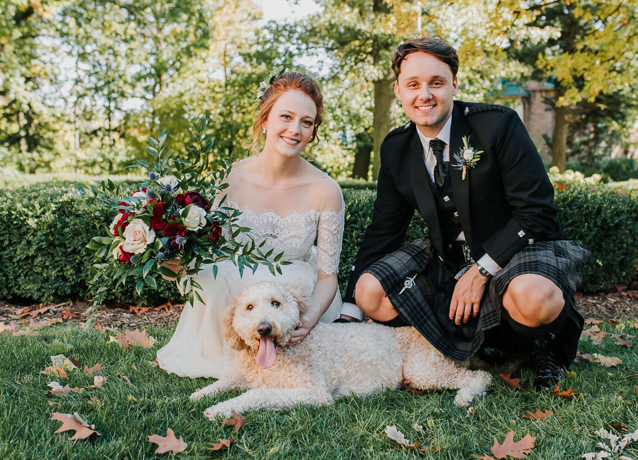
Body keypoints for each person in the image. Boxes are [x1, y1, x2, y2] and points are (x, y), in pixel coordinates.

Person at [338, 37, 589, 388]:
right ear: (398, 90)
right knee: (370, 293)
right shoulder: (396, 147)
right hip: (446, 255)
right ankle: (457, 344)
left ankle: (539, 345)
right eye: (413, 84)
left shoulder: (498, 125)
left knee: (534, 298)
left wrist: (482, 269)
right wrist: (350, 311)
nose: (424, 94)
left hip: (517, 250)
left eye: (436, 83)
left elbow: (538, 214)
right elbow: (384, 230)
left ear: (454, 84)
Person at [158, 72, 344, 379]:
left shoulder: (326, 191)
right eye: (286, 116)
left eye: (306, 122)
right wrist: (173, 258)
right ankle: (225, 357)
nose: (295, 130)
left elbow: (327, 276)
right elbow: (209, 247)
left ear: (313, 130)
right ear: (266, 119)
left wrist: (309, 319)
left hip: (294, 285)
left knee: (295, 291)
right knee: (214, 280)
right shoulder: (231, 178)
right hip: (235, 280)